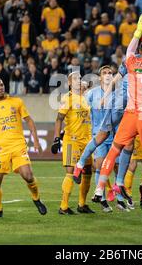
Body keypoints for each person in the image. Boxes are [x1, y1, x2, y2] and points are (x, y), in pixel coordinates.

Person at [93, 14, 142, 211]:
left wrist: (139, 29)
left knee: (114, 150)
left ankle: (100, 189)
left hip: (130, 114)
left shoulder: (132, 63)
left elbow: (129, 50)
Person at [0, 76, 47, 218]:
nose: (0, 87)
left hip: (18, 145)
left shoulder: (16, 102)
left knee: (28, 176)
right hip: (2, 149)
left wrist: (36, 140)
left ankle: (36, 199)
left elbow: (29, 121)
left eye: (1, 85)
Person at [85, 65, 128, 212]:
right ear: (100, 77)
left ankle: (120, 200)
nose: (108, 75)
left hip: (116, 135)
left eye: (110, 72)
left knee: (117, 167)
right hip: (99, 135)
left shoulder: (119, 94)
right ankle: (102, 199)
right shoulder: (92, 94)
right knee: (100, 164)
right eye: (105, 73)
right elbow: (84, 112)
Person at [51, 71, 94, 215]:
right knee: (70, 172)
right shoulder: (67, 98)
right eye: (75, 78)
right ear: (69, 83)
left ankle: (82, 204)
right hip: (72, 140)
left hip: (87, 141)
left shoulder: (86, 98)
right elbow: (59, 119)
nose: (78, 80)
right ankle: (63, 207)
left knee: (88, 171)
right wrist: (57, 138)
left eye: (79, 78)